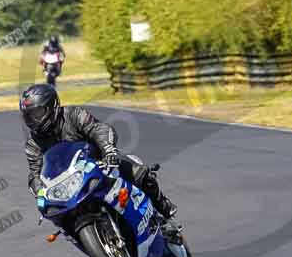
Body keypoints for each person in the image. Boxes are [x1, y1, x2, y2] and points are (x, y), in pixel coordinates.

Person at [20, 83, 177, 219]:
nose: (32, 120)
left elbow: (98, 129)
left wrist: (109, 151)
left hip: (100, 164)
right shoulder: (33, 144)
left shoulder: (73, 115)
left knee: (139, 173)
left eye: (36, 113)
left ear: (52, 106)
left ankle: (162, 205)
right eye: (28, 116)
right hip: (67, 185)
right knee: (58, 216)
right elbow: (35, 173)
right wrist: (40, 191)